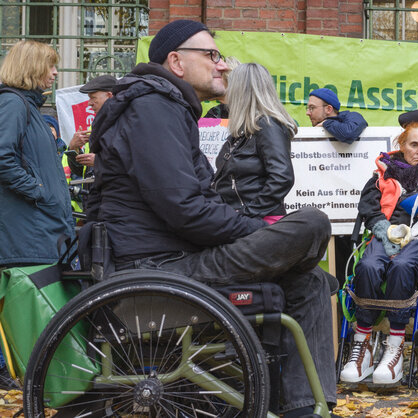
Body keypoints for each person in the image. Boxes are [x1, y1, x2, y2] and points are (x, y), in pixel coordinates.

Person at [85, 20, 335, 416]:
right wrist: (257, 231)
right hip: (155, 270)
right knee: (313, 223)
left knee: (311, 281)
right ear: (177, 62)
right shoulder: (152, 109)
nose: (221, 66)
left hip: (174, 256)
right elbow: (184, 209)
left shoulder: (167, 108)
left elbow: (197, 201)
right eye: (212, 55)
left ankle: (302, 407)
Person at [342, 122, 418, 384]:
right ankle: (361, 345)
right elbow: (367, 206)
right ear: (401, 145)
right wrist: (383, 229)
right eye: (414, 145)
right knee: (368, 266)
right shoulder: (385, 171)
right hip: (385, 233)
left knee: (401, 267)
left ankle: (395, 346)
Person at [0, 40, 74, 268]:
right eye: (50, 66)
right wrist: (37, 191)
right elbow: (2, 157)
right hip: (30, 232)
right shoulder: (13, 103)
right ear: (31, 67)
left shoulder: (26, 105)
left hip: (38, 229)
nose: (55, 73)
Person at [211, 62, 295, 221]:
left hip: (260, 221)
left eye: (231, 87)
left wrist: (247, 214)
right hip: (244, 218)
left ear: (241, 91)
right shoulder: (244, 130)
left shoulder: (267, 125)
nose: (227, 93)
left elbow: (282, 177)